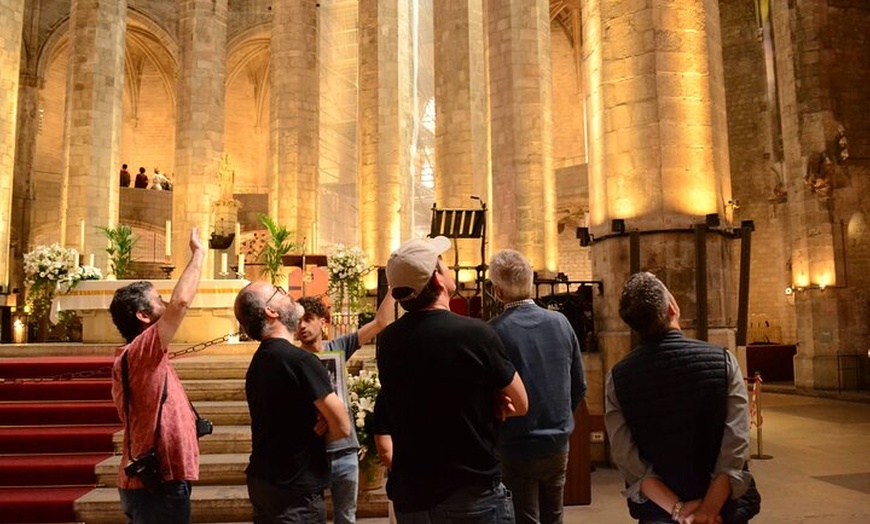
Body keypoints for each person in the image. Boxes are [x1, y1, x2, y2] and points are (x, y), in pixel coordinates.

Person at [372, 236, 529, 524]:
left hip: (412, 496)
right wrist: (492, 398)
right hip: (469, 494)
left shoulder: (390, 340)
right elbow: (520, 403)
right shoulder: (474, 333)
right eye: (444, 265)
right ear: (437, 280)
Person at [605, 272, 754, 524]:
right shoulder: (723, 360)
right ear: (673, 307)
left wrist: (678, 509)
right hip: (721, 512)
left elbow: (628, 460)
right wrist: (708, 511)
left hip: (659, 514)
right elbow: (735, 442)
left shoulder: (617, 378)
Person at [108, 227, 205, 524]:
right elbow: (181, 303)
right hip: (156, 485)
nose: (165, 302)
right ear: (142, 315)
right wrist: (199, 254)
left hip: (161, 480)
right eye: (157, 299)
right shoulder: (140, 351)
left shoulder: (141, 354)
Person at [234, 281, 352, 523]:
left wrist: (318, 420)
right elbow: (343, 427)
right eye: (279, 291)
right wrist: (325, 424)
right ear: (271, 312)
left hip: (265, 481)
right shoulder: (300, 360)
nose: (288, 295)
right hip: (295, 487)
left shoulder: (260, 361)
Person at [488, 249, 587, 524]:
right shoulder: (561, 323)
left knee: (523, 518)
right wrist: (561, 418)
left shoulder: (493, 332)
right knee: (554, 516)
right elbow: (579, 385)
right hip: (557, 441)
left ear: (497, 291)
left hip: (515, 443)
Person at [295, 293, 396, 524]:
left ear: (323, 321)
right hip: (311, 453)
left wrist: (393, 287)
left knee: (346, 516)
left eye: (308, 318)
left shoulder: (338, 347)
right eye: (298, 320)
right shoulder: (294, 359)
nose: (302, 325)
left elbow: (381, 322)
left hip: (344, 451)